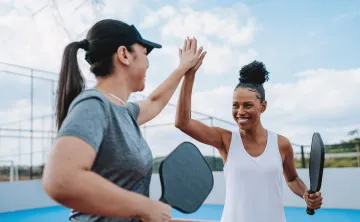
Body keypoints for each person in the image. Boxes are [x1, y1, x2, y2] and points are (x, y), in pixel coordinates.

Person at [42, 19, 205, 222]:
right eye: (145, 55)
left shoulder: (123, 111)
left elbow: (155, 101)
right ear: (124, 55)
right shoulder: (93, 105)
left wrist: (183, 69)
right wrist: (145, 206)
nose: (148, 64)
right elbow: (61, 180)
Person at [175, 60, 323, 222]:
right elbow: (183, 123)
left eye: (247, 105)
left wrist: (305, 194)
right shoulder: (225, 140)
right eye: (235, 105)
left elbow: (292, 179)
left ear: (263, 106)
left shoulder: (281, 144)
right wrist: (189, 74)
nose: (240, 112)